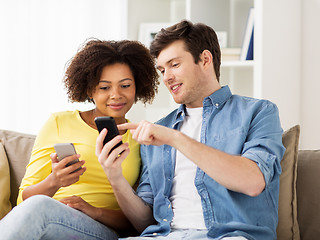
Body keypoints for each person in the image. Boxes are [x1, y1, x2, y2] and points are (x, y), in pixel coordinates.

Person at [96, 20, 285, 240]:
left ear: (205, 59)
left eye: (174, 65)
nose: (166, 77)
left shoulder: (258, 112)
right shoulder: (161, 129)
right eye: (162, 69)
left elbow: (253, 182)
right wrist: (115, 177)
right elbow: (144, 221)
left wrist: (176, 139)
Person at [0, 39, 159, 240]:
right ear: (89, 89)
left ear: (138, 86)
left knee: (40, 208)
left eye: (125, 85)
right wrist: (54, 181)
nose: (116, 95)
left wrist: (93, 211)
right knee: (39, 207)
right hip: (47, 219)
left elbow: (139, 220)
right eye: (104, 88)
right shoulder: (59, 122)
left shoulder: (141, 139)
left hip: (99, 230)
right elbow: (23, 203)